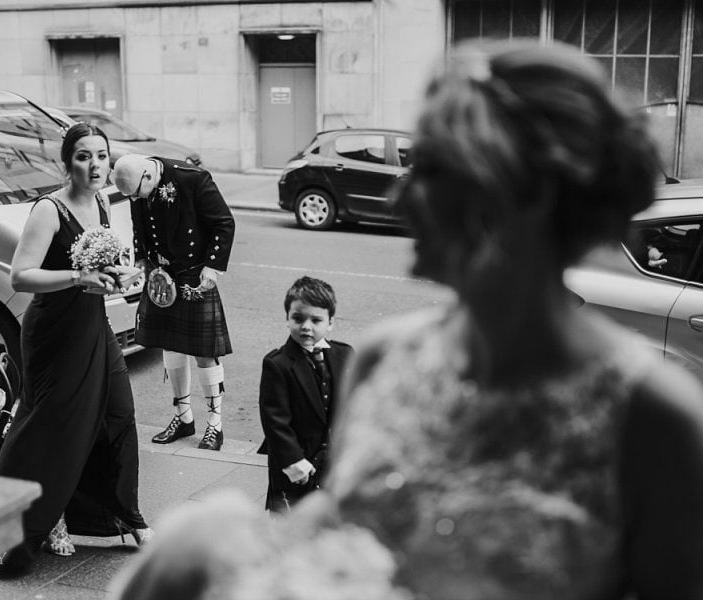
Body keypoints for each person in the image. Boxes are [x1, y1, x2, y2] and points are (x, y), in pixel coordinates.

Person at [110, 40, 703, 600]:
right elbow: (350, 537)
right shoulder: (382, 358)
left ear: (522, 196)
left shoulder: (657, 418)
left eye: (434, 170)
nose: (403, 196)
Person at [0, 123, 152, 574]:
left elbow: (96, 265)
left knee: (117, 415)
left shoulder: (101, 201)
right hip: (54, 332)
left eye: (101, 156)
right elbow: (20, 276)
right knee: (53, 428)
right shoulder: (49, 210)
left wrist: (117, 275)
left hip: (92, 325)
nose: (95, 165)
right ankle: (44, 518)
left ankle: (127, 514)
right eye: (84, 157)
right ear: (68, 163)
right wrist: (79, 278)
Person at [112, 154, 235, 451]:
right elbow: (139, 225)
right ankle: (183, 417)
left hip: (193, 273)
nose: (137, 200)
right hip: (161, 275)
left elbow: (224, 223)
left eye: (138, 194)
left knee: (204, 352)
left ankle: (215, 425)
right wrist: (141, 261)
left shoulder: (192, 179)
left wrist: (212, 266)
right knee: (170, 345)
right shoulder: (136, 186)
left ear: (148, 175)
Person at [259, 276, 354, 512]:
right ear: (287, 319)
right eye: (298, 318)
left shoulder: (344, 355)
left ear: (330, 322)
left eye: (316, 319)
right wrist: (294, 463)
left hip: (334, 467)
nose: (306, 326)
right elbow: (275, 422)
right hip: (296, 469)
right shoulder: (277, 364)